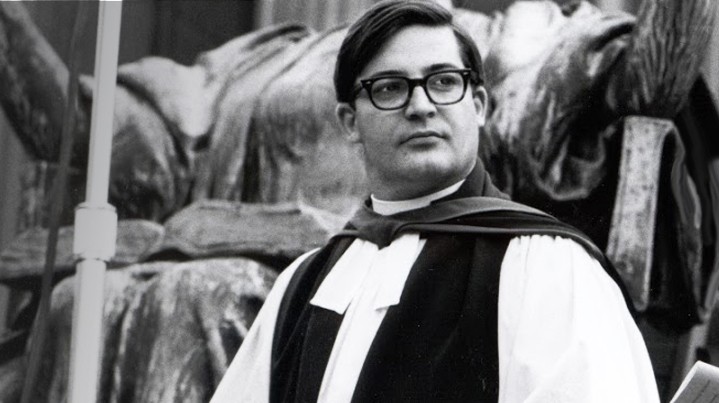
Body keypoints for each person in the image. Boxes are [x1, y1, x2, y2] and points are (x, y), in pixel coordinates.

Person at [211, 1, 660, 402]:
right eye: (389, 88)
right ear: (349, 122)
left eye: (444, 81)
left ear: (479, 105)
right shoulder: (301, 286)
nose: (421, 105)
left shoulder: (549, 268)